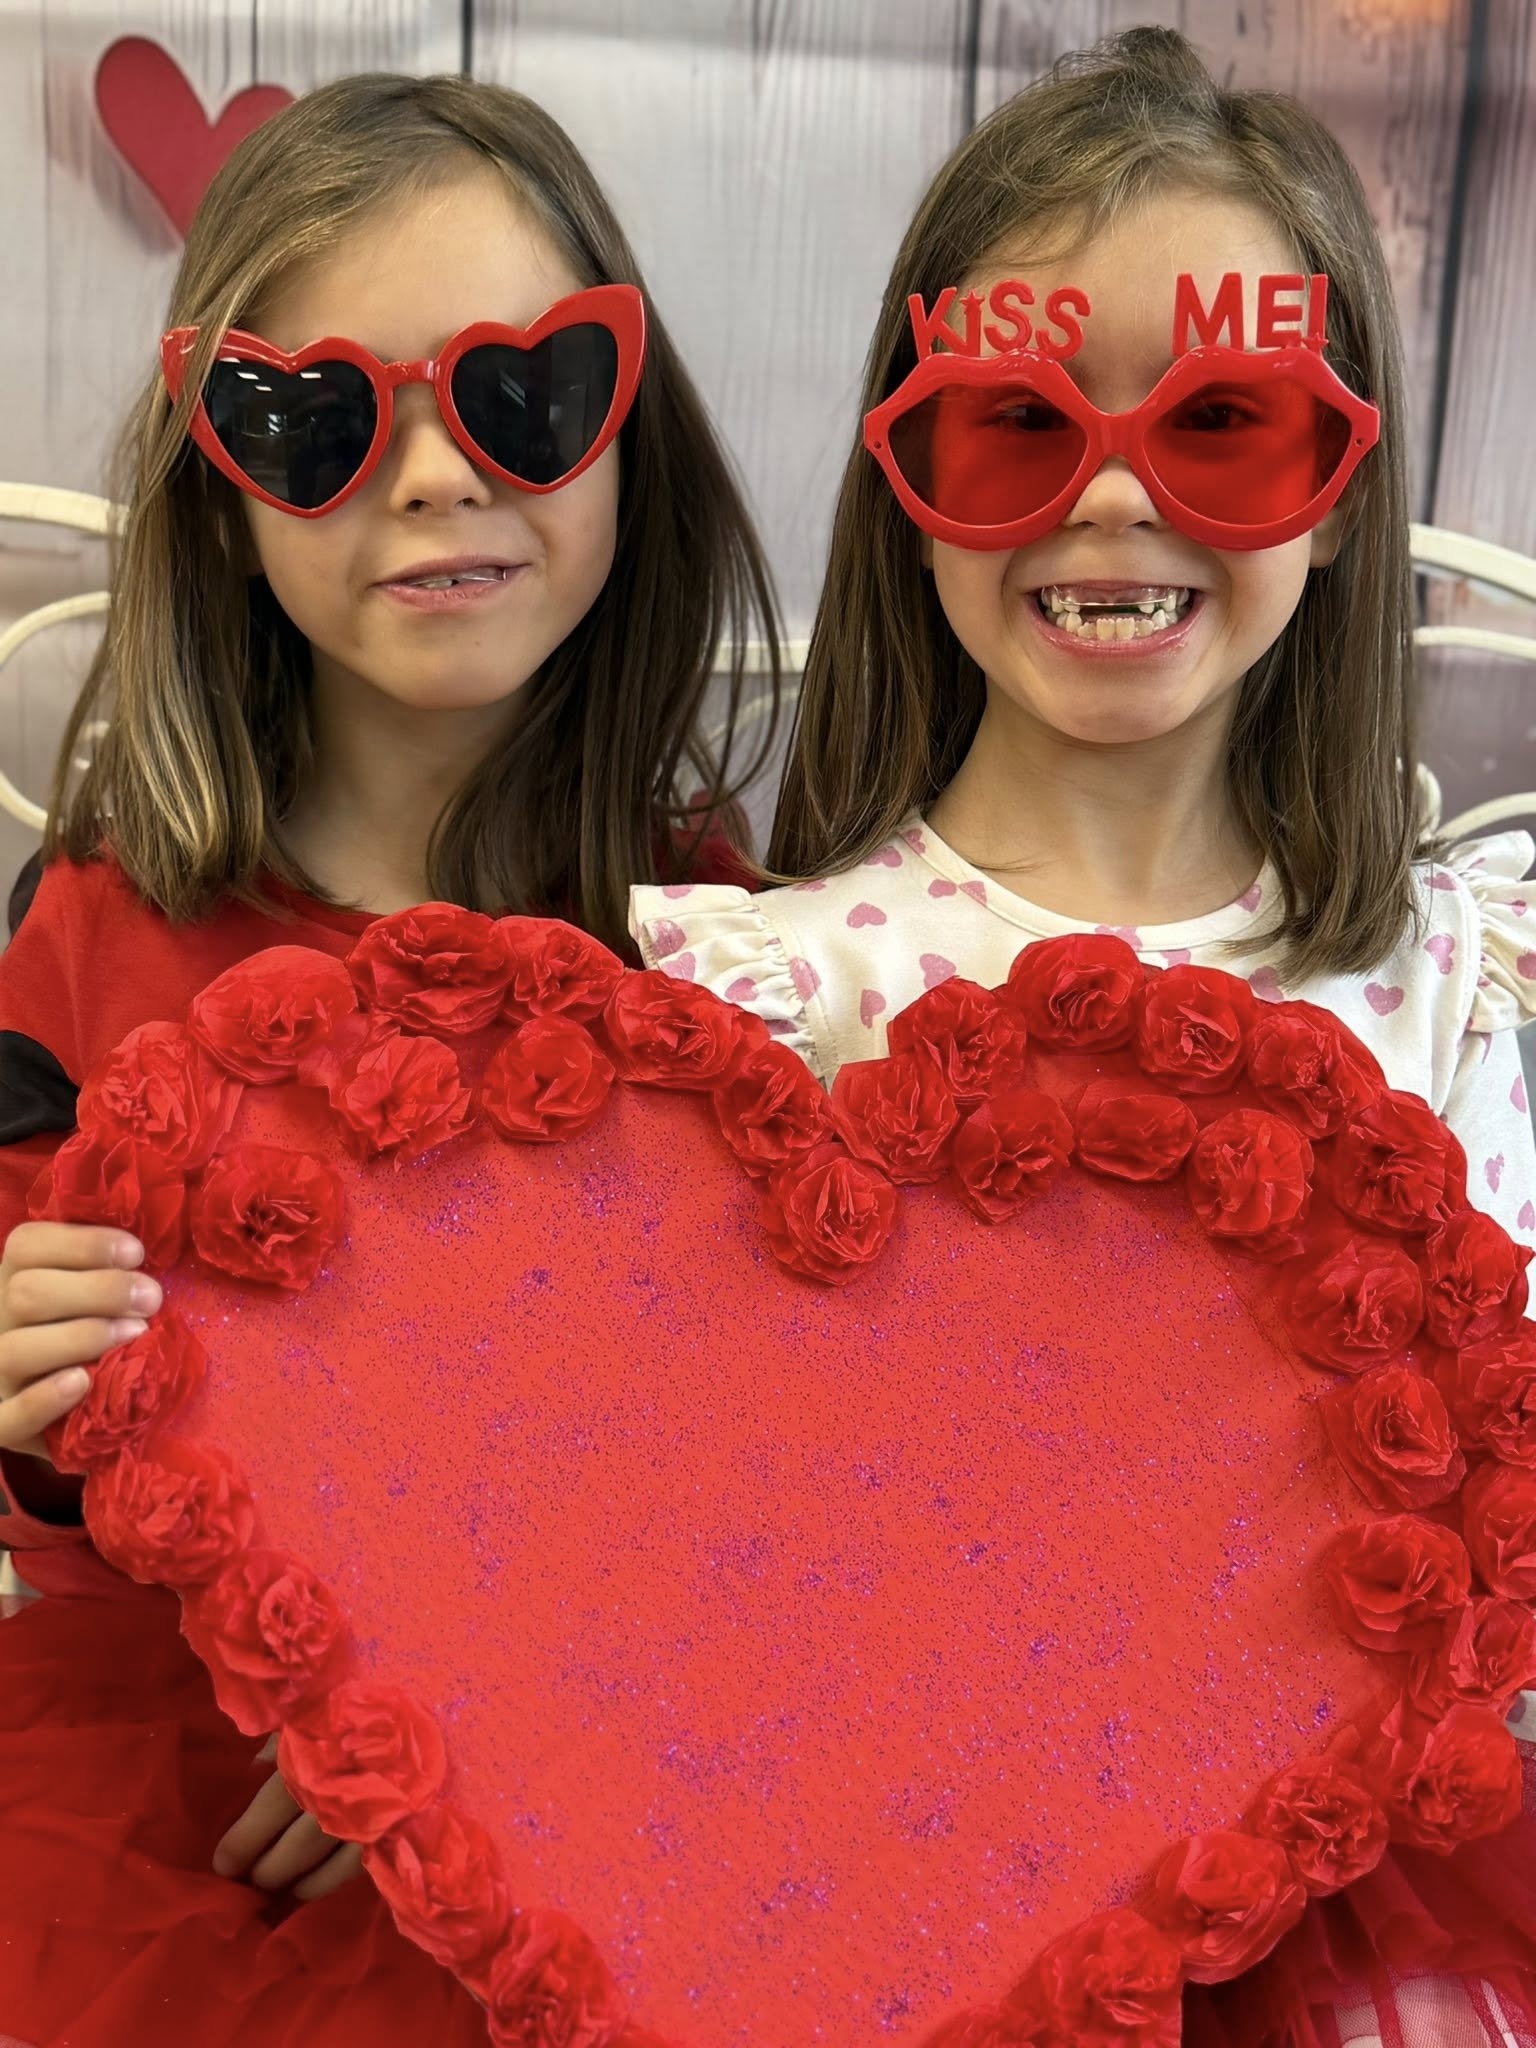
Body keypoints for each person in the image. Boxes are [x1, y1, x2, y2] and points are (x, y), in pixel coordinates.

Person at [632, 28, 1536, 2046]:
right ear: (909, 485)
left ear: (1342, 487)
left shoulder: (1465, 986)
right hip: (859, 1918)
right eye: (1015, 429)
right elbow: (665, 1541)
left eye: (1225, 423)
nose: (1116, 495)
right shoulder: (751, 1006)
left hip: (1351, 1928)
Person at [0, 69, 777, 2046]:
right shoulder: (94, 930)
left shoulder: (725, 950)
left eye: (522, 393)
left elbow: (765, 1464)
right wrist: (23, 1389)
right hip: (180, 1784)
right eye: (320, 422)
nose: (434, 476)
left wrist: (493, 1707)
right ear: (222, 486)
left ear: (631, 432)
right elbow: (55, 1490)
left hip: (602, 1772)